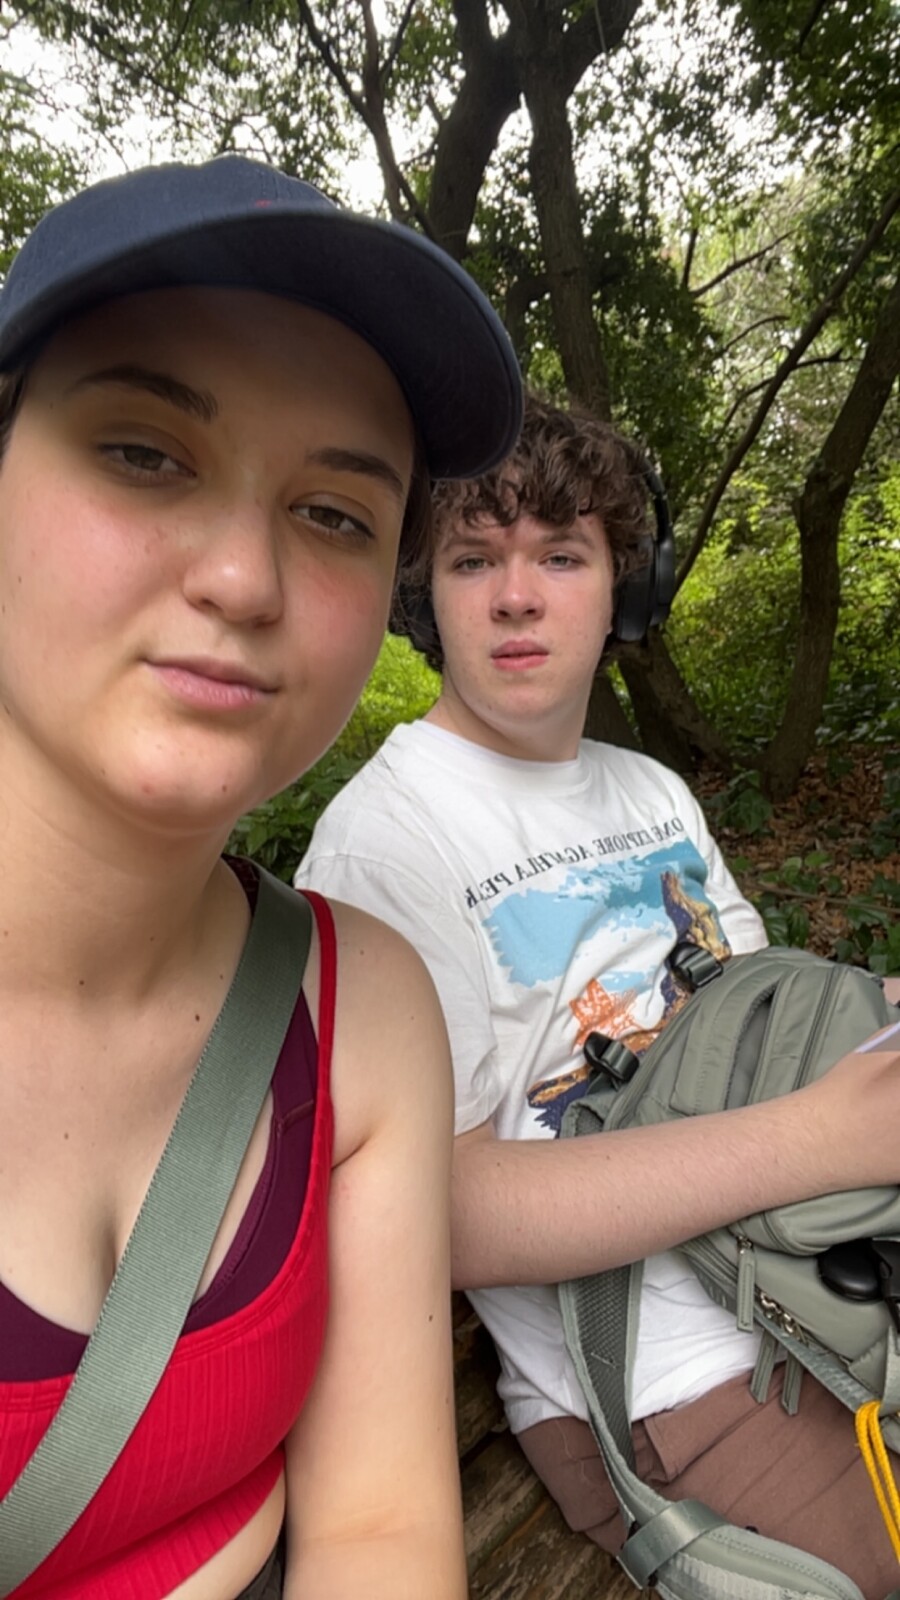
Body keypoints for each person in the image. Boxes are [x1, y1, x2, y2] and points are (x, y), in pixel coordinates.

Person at [0, 156, 522, 1599]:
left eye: (336, 514)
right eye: (143, 453)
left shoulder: (360, 1012)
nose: (243, 577)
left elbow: (379, 1530)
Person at [297, 392, 900, 1596]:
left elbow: (755, 1015)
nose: (516, 596)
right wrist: (820, 1136)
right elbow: (446, 1214)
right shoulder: (386, 846)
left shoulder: (648, 793)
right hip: (674, 1384)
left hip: (823, 1261)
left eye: (561, 555)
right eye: (474, 559)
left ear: (626, 585)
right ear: (426, 597)